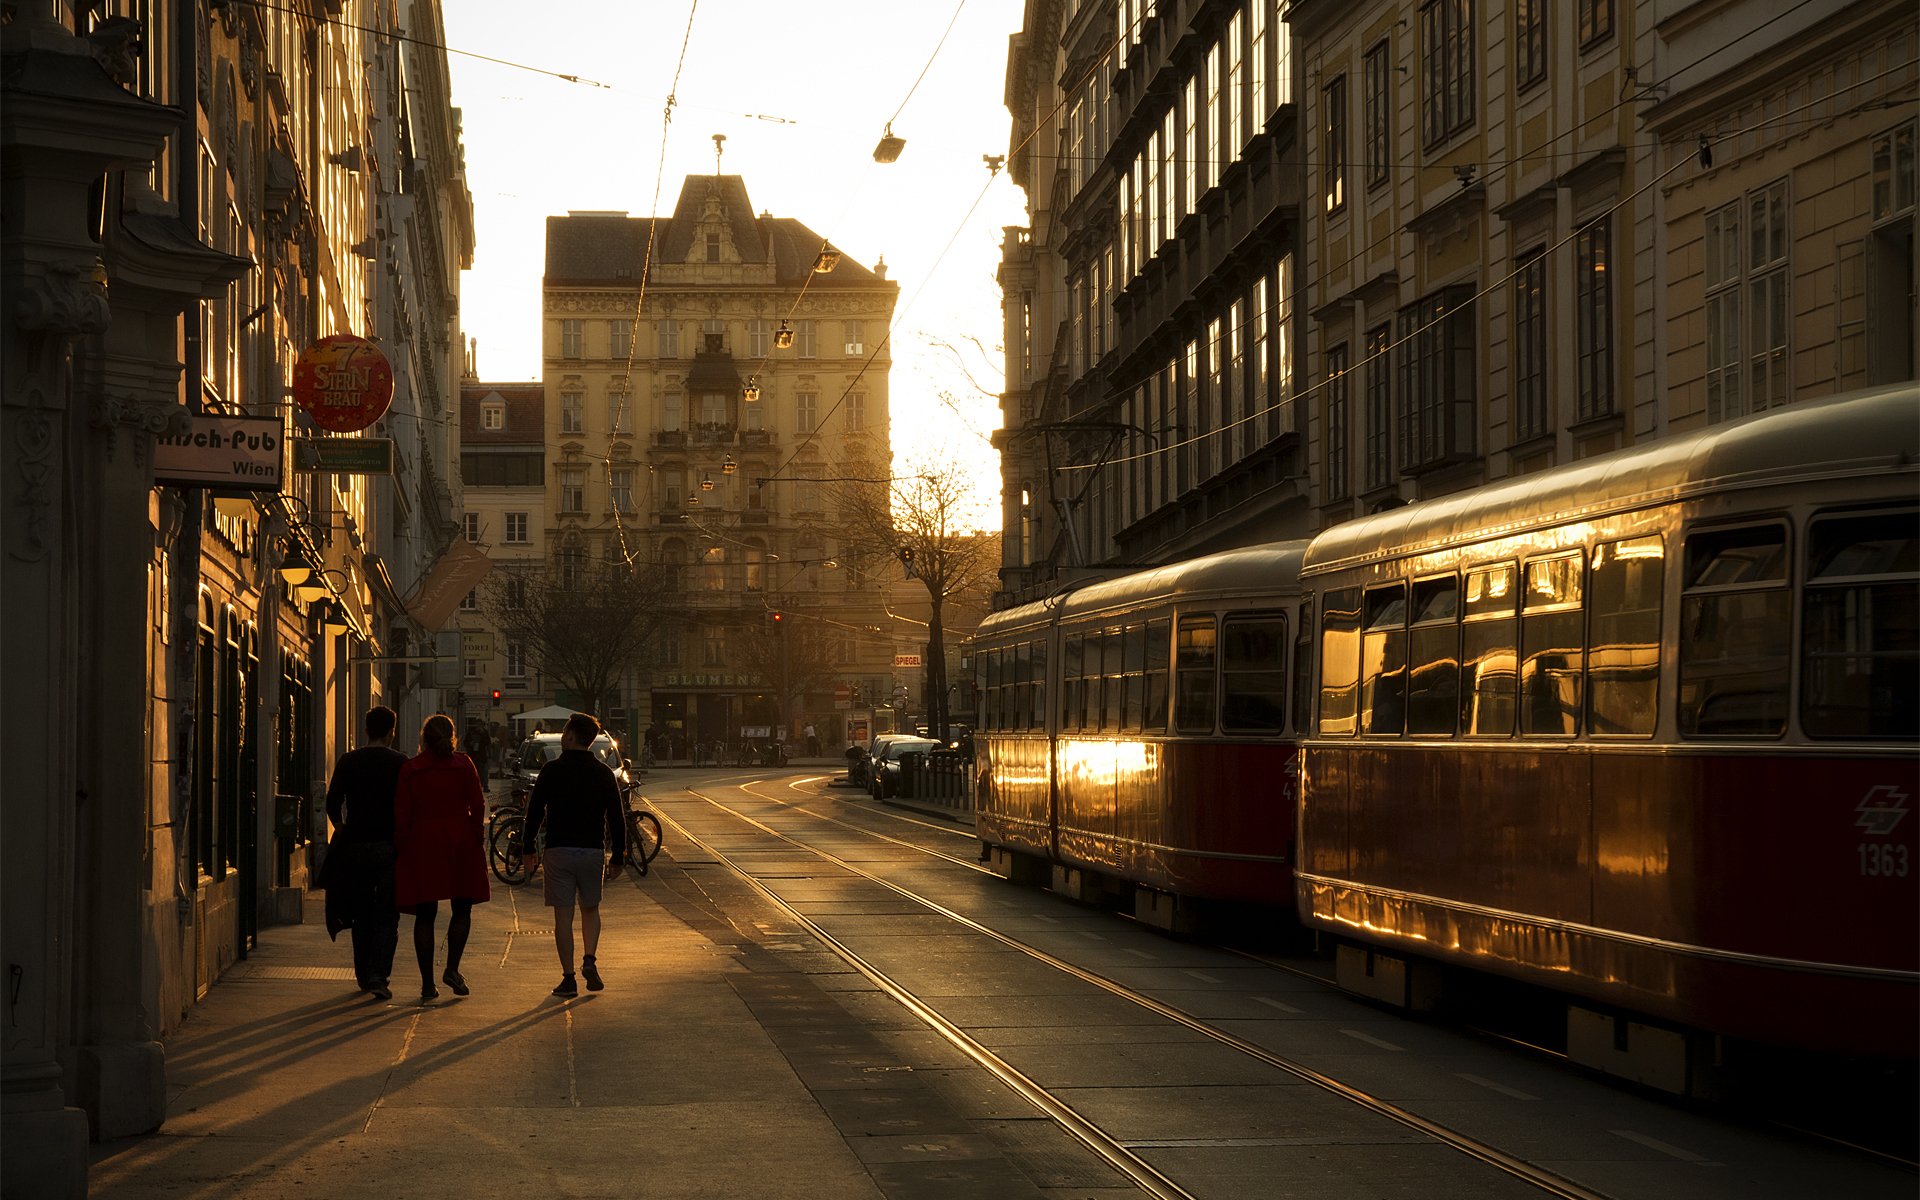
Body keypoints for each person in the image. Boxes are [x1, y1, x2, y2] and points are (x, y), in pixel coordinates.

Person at [522, 712, 626, 998]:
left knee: (563, 917)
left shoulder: (552, 770)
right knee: (590, 909)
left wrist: (528, 847)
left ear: (569, 736)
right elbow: (617, 817)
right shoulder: (604, 773)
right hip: (592, 850)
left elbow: (534, 812)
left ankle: (568, 978)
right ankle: (590, 959)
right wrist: (618, 855)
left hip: (559, 850)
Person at [393, 714, 491, 1003]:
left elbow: (401, 812)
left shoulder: (412, 769)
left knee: (425, 914)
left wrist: (402, 846)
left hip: (423, 841)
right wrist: (476, 836)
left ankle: (427, 984)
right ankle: (452, 969)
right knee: (462, 907)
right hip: (459, 839)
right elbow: (478, 802)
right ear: (452, 737)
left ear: (424, 738)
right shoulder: (463, 765)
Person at [322, 706, 408, 1001]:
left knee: (361, 912)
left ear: (366, 729)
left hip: (355, 847)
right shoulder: (400, 763)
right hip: (388, 846)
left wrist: (340, 826)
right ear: (391, 731)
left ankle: (362, 974)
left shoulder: (349, 760)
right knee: (387, 913)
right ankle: (378, 975)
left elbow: (332, 800)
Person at [467, 721, 492, 790]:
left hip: (482, 755)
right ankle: (477, 785)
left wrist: (489, 754)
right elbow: (466, 742)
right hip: (473, 755)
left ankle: (484, 786)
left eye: (480, 725)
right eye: (477, 724)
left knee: (484, 771)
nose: (478, 726)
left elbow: (487, 743)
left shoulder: (484, 733)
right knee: (476, 771)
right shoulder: (471, 732)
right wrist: (470, 743)